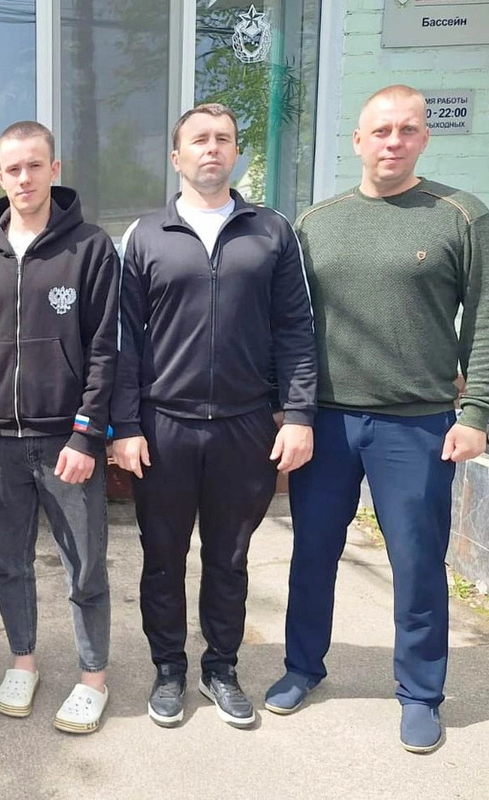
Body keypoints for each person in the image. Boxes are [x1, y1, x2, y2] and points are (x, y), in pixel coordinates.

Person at [265, 85, 489, 754]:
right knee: (312, 555)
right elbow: (290, 324)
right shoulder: (317, 224)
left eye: (406, 130)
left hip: (418, 424)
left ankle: (421, 694)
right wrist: (288, 408)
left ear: (424, 138)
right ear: (358, 141)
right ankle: (302, 667)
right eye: (380, 131)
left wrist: (476, 411)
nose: (393, 142)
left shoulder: (460, 216)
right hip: (328, 422)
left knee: (418, 563)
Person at [109, 103, 317, 730]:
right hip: (163, 426)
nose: (212, 148)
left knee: (229, 557)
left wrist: (299, 413)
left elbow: (296, 328)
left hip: (244, 425)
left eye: (223, 138)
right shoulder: (146, 235)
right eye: (199, 139)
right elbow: (124, 340)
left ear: (236, 153)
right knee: (162, 557)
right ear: (177, 157)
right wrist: (125, 427)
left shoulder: (271, 232)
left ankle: (220, 667)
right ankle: (169, 668)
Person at [0, 121, 120, 734]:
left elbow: (105, 350)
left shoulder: (92, 248)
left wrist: (86, 434)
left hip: (65, 441)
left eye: (34, 165)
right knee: (10, 563)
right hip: (0, 441)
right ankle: (22, 663)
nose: (24, 178)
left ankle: (92, 677)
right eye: (13, 168)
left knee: (85, 565)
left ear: (54, 169)